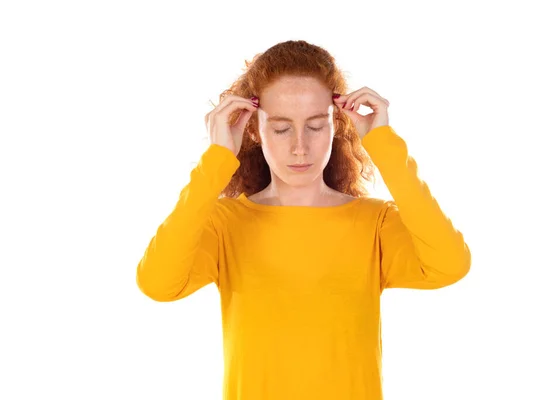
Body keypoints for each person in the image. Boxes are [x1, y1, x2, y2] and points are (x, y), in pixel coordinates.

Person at [136, 39, 471, 400]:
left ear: (336, 125)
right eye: (281, 128)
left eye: (315, 125)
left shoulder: (374, 223)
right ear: (253, 128)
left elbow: (450, 265)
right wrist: (217, 160)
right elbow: (158, 283)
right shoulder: (225, 223)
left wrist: (385, 147)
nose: (300, 146)